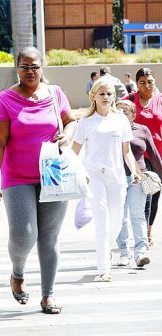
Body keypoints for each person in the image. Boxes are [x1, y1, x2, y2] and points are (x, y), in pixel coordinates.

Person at [0, 47, 77, 314]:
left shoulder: (54, 93)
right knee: (24, 234)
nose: (30, 72)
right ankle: (17, 273)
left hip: (53, 174)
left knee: (49, 237)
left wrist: (69, 135)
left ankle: (48, 295)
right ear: (17, 68)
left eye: (34, 66)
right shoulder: (5, 99)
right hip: (17, 177)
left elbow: (70, 121)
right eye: (24, 67)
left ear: (42, 67)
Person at [72, 78, 140, 282]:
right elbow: (75, 151)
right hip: (94, 176)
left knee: (117, 221)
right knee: (101, 220)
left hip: (117, 176)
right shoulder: (85, 122)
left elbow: (126, 151)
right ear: (93, 96)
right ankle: (104, 267)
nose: (106, 97)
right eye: (102, 93)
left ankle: (106, 251)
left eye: (110, 94)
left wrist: (134, 170)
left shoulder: (120, 120)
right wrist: (75, 173)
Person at [115, 100, 162, 268]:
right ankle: (124, 252)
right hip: (116, 179)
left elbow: (154, 154)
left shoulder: (142, 130)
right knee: (121, 217)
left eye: (125, 112)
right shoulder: (111, 130)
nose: (121, 115)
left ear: (133, 114)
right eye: (118, 111)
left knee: (137, 214)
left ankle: (140, 252)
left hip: (138, 177)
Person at [125, 67, 162, 247]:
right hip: (137, 154)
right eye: (142, 82)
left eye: (150, 82)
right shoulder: (129, 100)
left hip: (157, 153)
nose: (147, 85)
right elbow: (112, 111)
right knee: (143, 194)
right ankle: (139, 233)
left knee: (154, 193)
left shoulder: (160, 100)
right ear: (136, 84)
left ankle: (148, 229)